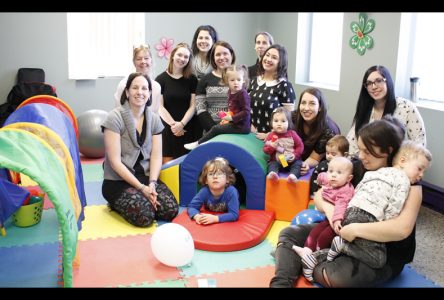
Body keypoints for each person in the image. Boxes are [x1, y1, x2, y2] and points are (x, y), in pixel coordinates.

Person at [270, 115, 425, 287]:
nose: (361, 155)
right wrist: (332, 213)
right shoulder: (358, 167)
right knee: (288, 234)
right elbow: (321, 196)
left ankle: (295, 259)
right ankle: (282, 283)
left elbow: (401, 229)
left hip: (380, 253)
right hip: (342, 235)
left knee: (340, 277)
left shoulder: (409, 182)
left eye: (367, 151)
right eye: (359, 149)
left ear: (387, 150)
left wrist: (355, 230)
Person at [301, 140, 432, 282]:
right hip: (370, 218)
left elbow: (358, 190)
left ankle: (310, 259)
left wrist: (348, 211)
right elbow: (395, 205)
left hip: (351, 211)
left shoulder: (377, 172)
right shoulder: (404, 181)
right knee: (377, 259)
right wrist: (386, 220)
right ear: (402, 160)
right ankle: (339, 247)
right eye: (420, 169)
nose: (421, 175)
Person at [102, 72, 179, 227]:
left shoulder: (154, 119)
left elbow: (157, 156)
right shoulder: (114, 118)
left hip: (145, 177)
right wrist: (141, 188)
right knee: (145, 217)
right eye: (135, 88)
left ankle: (141, 197)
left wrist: (152, 183)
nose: (140, 92)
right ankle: (116, 203)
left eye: (144, 88)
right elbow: (115, 162)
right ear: (127, 92)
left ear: (149, 93)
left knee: (170, 210)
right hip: (118, 181)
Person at [293, 156, 354, 281]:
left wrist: (336, 220)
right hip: (327, 217)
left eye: (339, 173)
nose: (333, 175)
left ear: (349, 178)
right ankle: (306, 250)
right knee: (315, 231)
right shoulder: (331, 180)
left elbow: (340, 207)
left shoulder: (345, 191)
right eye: (331, 171)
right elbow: (322, 177)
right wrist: (321, 177)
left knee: (324, 236)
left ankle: (315, 257)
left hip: (339, 222)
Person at [346, 65, 427, 157]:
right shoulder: (365, 108)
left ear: (388, 82)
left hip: (397, 166)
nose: (374, 87)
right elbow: (352, 143)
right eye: (369, 83)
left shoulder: (406, 107)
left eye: (379, 81)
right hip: (366, 164)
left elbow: (419, 145)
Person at [184, 64, 251, 150]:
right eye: (232, 80)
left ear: (244, 81)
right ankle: (206, 141)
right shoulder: (231, 91)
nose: (236, 83)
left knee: (216, 129)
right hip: (236, 123)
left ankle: (198, 143)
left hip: (242, 127)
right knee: (218, 126)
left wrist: (231, 118)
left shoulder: (242, 93)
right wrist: (227, 114)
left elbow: (246, 111)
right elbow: (235, 108)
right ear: (227, 81)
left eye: (239, 80)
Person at [155, 42, 199, 164]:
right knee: (167, 165)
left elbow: (193, 106)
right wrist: (174, 125)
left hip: (188, 126)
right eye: (180, 55)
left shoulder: (192, 79)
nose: (182, 59)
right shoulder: (160, 79)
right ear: (173, 55)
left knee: (187, 164)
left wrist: (182, 124)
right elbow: (160, 107)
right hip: (168, 128)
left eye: (186, 57)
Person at [249, 44, 296, 140]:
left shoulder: (285, 86)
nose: (268, 59)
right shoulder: (253, 81)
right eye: (267, 55)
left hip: (272, 141)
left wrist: (269, 135)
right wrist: (248, 124)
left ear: (280, 63)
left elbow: (289, 121)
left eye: (274, 57)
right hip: (249, 134)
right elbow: (244, 107)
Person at [292, 88, 340, 176]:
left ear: (320, 107)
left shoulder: (329, 131)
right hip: (293, 157)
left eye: (312, 104)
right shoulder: (293, 117)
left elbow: (314, 159)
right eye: (303, 103)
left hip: (319, 168)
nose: (306, 108)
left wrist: (302, 166)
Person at [195, 41, 236, 133]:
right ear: (213, 58)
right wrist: (215, 131)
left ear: (231, 55)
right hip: (210, 133)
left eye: (225, 53)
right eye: (218, 54)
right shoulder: (204, 80)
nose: (222, 57)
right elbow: (201, 109)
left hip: (234, 132)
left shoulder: (240, 79)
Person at [187, 157, 239, 225]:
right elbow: (192, 206)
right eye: (211, 174)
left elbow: (234, 214)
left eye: (219, 174)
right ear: (206, 180)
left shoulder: (231, 192)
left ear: (227, 179)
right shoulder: (204, 191)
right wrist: (197, 216)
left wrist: (215, 218)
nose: (215, 177)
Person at [114, 44, 161, 113]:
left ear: (151, 60)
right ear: (134, 62)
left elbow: (155, 112)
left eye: (146, 58)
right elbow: (118, 110)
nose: (143, 61)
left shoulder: (156, 87)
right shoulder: (124, 84)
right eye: (139, 59)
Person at [263, 107, 304, 183]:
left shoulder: (293, 134)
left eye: (283, 121)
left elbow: (300, 146)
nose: (279, 124)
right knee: (272, 164)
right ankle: (273, 174)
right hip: (278, 161)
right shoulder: (271, 136)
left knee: (298, 164)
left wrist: (295, 155)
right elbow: (265, 150)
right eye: (276, 121)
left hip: (291, 161)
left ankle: (293, 176)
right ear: (271, 122)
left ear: (289, 123)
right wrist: (272, 146)